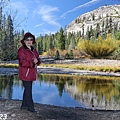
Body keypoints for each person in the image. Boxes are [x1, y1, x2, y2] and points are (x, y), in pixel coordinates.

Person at [17, 32, 41, 113]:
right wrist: (32, 63)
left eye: (31, 39)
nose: (29, 41)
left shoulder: (34, 50)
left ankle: (24, 105)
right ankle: (31, 107)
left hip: (32, 73)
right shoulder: (21, 50)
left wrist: (37, 61)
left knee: (27, 89)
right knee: (28, 90)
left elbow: (38, 60)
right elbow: (22, 62)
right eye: (27, 39)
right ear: (24, 41)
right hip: (25, 73)